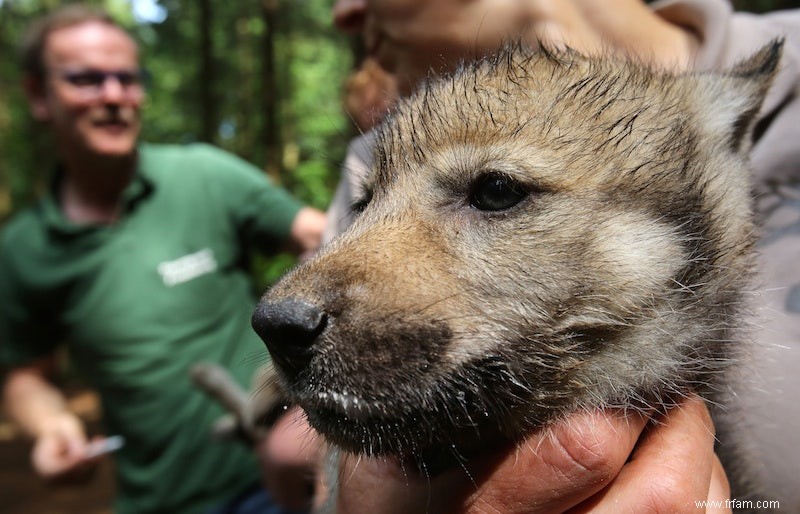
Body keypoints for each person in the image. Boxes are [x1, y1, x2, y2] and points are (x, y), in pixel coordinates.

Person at [322, 0, 800, 511]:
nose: (344, 11)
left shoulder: (696, 129)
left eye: (497, 191)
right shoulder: (372, 151)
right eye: (365, 202)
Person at [0, 5, 325, 514]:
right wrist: (51, 424)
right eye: (86, 79)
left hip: (269, 483)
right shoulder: (23, 249)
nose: (113, 96)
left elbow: (329, 237)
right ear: (38, 95)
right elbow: (26, 375)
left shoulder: (205, 175)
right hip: (152, 499)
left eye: (127, 78)